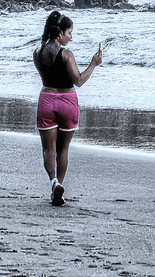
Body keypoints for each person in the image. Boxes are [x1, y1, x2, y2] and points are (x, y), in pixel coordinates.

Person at [33, 11, 102, 206]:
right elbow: (78, 80)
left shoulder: (37, 53)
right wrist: (93, 64)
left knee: (48, 148)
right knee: (62, 149)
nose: (71, 36)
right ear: (60, 33)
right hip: (67, 101)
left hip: (46, 99)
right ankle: (60, 189)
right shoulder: (66, 54)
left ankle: (54, 183)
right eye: (69, 32)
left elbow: (47, 74)